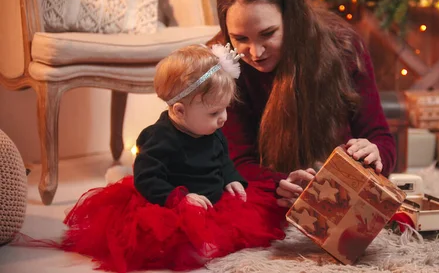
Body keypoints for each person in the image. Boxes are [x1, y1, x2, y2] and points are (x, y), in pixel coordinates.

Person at [47, 45, 288, 272]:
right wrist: (179, 198)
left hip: (212, 200)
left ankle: (208, 237)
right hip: (173, 203)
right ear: (180, 111)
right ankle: (193, 244)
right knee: (174, 241)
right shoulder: (159, 138)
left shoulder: (212, 130)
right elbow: (147, 178)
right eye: (215, 112)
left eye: (225, 109)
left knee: (251, 223)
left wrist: (231, 178)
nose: (223, 118)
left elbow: (223, 158)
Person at [215, 0, 397, 208]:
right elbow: (236, 160)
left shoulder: (344, 48)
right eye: (240, 38)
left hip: (343, 193)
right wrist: (279, 183)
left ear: (293, 19)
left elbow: (380, 138)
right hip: (274, 202)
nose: (256, 53)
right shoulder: (225, 68)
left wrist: (375, 154)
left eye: (268, 33)